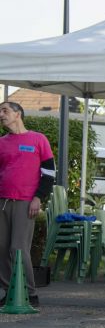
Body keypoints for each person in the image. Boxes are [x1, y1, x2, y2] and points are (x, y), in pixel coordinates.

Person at [0, 101, 55, 308]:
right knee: (1, 248)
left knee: (18, 249)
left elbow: (49, 173)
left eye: (5, 110)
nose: (1, 114)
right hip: (2, 202)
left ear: (18, 114)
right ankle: (9, 291)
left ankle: (30, 293)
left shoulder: (38, 139)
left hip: (25, 202)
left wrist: (38, 198)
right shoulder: (1, 142)